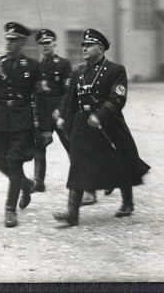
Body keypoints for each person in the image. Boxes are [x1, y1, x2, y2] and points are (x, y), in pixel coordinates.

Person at [53, 29, 150, 226]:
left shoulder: (116, 70)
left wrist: (100, 115)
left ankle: (127, 202)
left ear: (101, 48)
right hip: (83, 124)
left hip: (108, 123)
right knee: (78, 164)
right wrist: (64, 118)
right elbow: (71, 99)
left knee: (121, 159)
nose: (84, 49)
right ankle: (72, 213)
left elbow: (118, 98)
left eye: (89, 45)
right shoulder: (79, 71)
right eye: (83, 46)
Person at [0, 22, 52, 228]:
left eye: (13, 40)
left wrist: (46, 128)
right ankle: (25, 184)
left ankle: (9, 209)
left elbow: (42, 99)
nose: (8, 43)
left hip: (22, 120)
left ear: (22, 42)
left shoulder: (33, 67)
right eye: (7, 39)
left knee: (14, 161)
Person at [31, 29, 72, 192]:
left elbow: (68, 91)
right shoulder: (37, 67)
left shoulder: (64, 64)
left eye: (48, 43)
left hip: (60, 114)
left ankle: (81, 183)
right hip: (43, 114)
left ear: (54, 44)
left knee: (71, 147)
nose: (45, 46)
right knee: (39, 147)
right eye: (42, 44)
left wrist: (61, 112)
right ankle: (38, 182)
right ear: (38, 47)